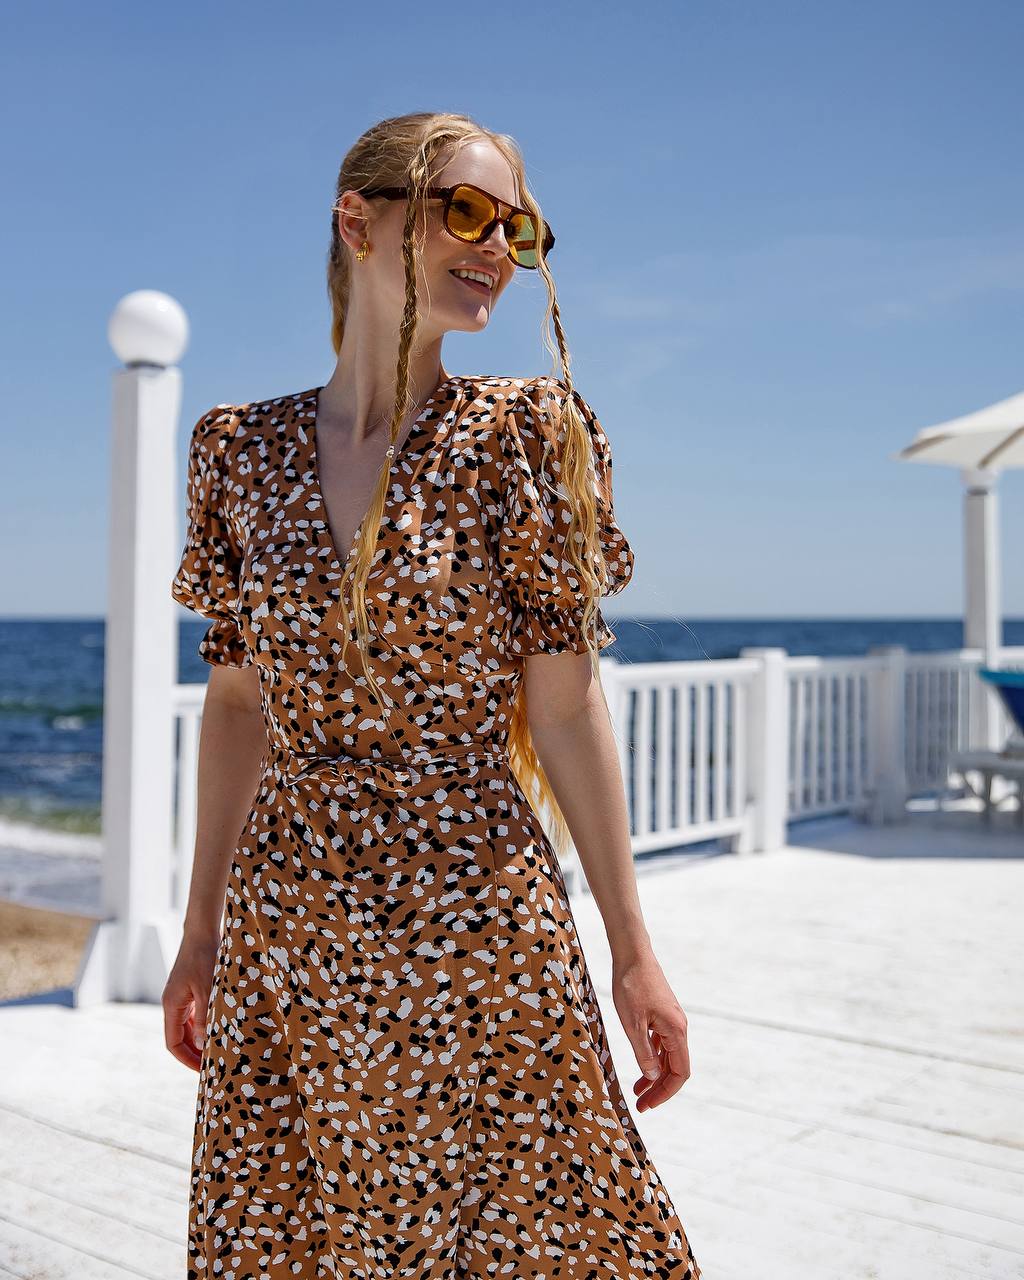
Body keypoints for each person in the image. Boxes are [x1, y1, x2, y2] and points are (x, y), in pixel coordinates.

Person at [163, 110, 702, 1280]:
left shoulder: (525, 433)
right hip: (289, 929)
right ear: (360, 221)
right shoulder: (235, 451)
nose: (498, 245)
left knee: (531, 1236)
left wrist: (632, 950)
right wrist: (200, 932)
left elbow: (562, 709)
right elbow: (240, 706)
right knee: (304, 1237)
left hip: (478, 924)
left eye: (518, 225)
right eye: (464, 211)